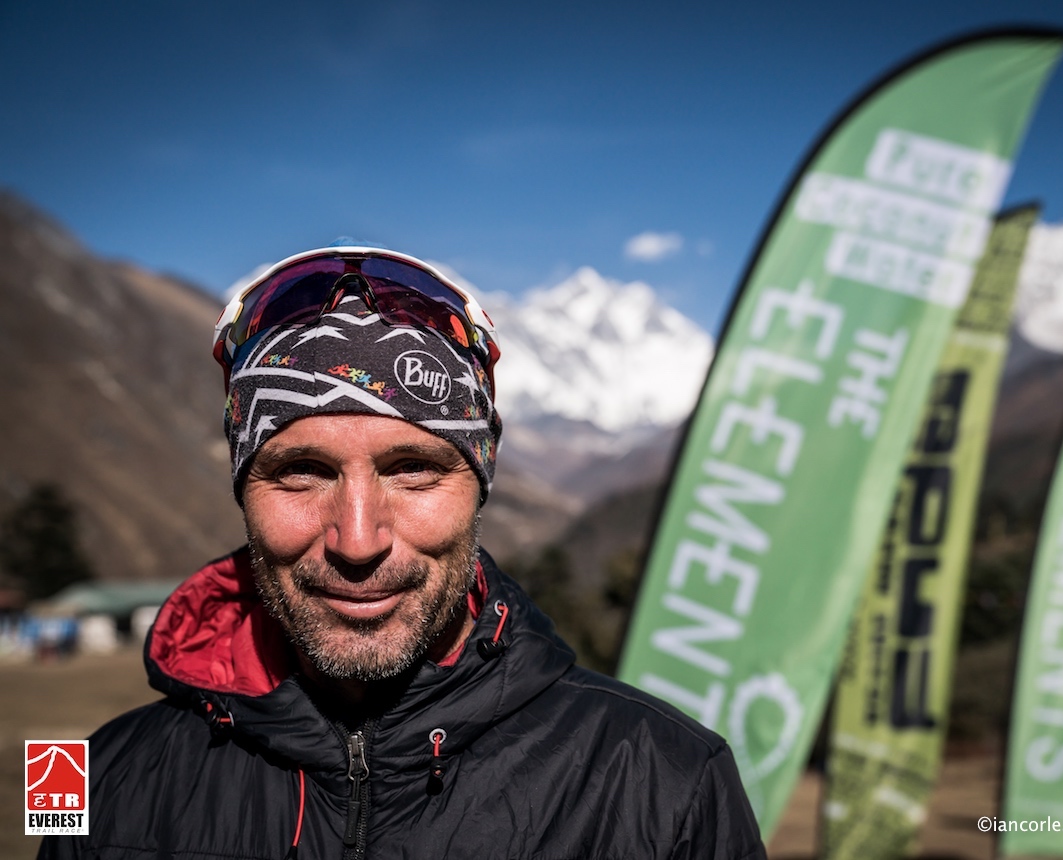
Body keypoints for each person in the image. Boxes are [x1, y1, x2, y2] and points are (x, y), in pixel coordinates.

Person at [39, 246, 765, 859]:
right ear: (242, 487)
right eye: (301, 471)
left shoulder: (676, 780)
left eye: (413, 469)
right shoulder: (81, 780)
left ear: (480, 482)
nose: (358, 541)